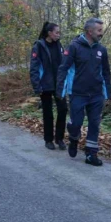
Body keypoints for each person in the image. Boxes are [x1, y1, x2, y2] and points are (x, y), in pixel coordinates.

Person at [56, 18, 111, 166]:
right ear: (89, 31)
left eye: (101, 30)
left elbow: (106, 72)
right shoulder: (74, 47)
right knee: (76, 123)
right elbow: (63, 68)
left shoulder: (102, 50)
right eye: (99, 30)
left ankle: (91, 154)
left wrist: (108, 93)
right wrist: (60, 90)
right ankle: (74, 138)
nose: (101, 33)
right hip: (77, 93)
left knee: (94, 123)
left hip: (96, 94)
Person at [30, 22, 68, 151]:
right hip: (45, 85)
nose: (58, 34)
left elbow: (64, 64)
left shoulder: (59, 45)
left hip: (59, 84)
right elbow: (34, 67)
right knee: (48, 113)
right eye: (57, 32)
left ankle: (59, 138)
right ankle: (48, 140)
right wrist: (37, 86)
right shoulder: (39, 46)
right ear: (49, 33)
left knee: (63, 109)